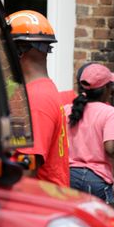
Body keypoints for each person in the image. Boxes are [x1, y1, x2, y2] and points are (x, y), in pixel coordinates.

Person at [6, 10, 70, 187]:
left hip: (34, 205)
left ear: (18, 51)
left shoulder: (34, 99)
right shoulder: (42, 90)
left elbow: (26, 170)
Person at [65, 62, 114, 207]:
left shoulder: (67, 110)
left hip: (68, 177)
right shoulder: (108, 112)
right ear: (106, 89)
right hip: (96, 180)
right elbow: (111, 149)